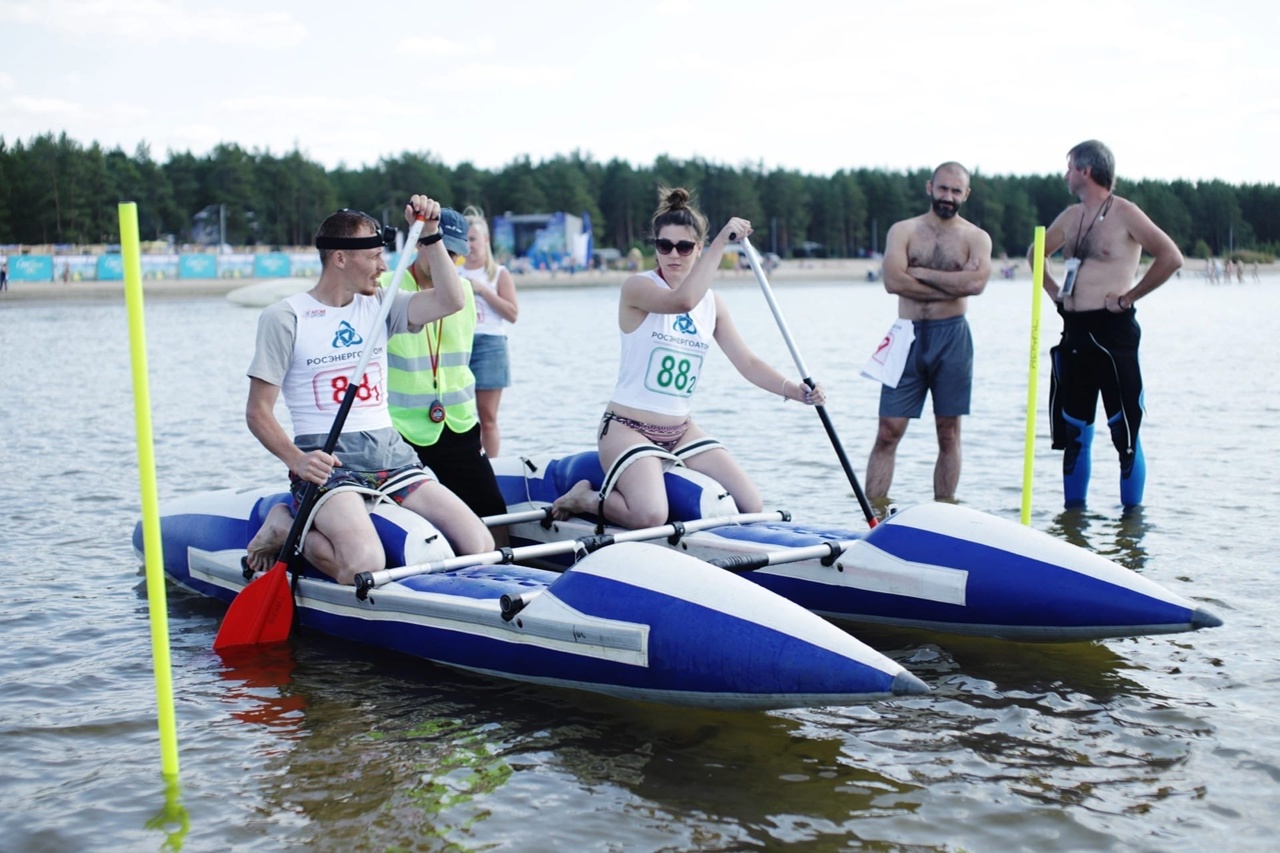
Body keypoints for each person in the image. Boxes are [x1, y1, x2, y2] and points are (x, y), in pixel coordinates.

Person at [243, 197, 494, 585]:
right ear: (340, 258)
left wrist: (430, 234)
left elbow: (451, 299)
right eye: (375, 256)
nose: (383, 266)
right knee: (364, 563)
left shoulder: (380, 304)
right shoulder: (285, 317)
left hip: (393, 455)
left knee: (479, 542)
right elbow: (258, 412)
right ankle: (286, 525)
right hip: (332, 462)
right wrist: (296, 460)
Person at [550, 187, 825, 528]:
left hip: (681, 430)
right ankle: (586, 498)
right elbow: (682, 301)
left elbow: (748, 363)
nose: (674, 255)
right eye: (664, 245)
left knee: (751, 504)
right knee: (650, 515)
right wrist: (722, 242)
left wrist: (795, 391)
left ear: (697, 250)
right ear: (655, 248)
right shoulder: (637, 288)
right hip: (627, 429)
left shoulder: (712, 304)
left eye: (684, 246)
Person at [1035, 140, 1183, 509]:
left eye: (1069, 167)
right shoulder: (1070, 217)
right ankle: (1073, 522)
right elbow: (1036, 254)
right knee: (1075, 433)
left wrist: (1129, 296)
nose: (1065, 174)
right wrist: (1055, 292)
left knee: (1125, 434)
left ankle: (1130, 532)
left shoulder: (1126, 213)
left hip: (1112, 333)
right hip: (1073, 332)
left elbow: (1171, 257)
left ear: (1085, 170)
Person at [865, 161, 992, 507]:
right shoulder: (903, 231)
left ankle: (944, 513)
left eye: (955, 190)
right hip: (905, 337)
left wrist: (918, 273)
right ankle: (872, 515)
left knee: (948, 432)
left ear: (966, 194)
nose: (948, 196)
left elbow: (977, 285)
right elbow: (893, 282)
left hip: (952, 338)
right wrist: (955, 285)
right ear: (929, 188)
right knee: (888, 431)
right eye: (942, 188)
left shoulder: (976, 238)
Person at [385, 207, 510, 542]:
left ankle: (509, 576)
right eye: (440, 247)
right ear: (420, 243)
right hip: (400, 428)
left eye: (455, 253)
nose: (448, 258)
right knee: (406, 518)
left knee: (494, 512)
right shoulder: (386, 287)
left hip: (456, 421)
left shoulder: (465, 292)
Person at [457, 206, 518, 458]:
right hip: (458, 344)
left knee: (488, 416)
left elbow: (512, 314)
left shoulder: (499, 273)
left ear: (485, 240)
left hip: (490, 344)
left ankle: (493, 467)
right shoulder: (453, 271)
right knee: (457, 415)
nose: (469, 245)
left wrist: (483, 290)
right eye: (465, 240)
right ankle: (461, 464)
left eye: (473, 239)